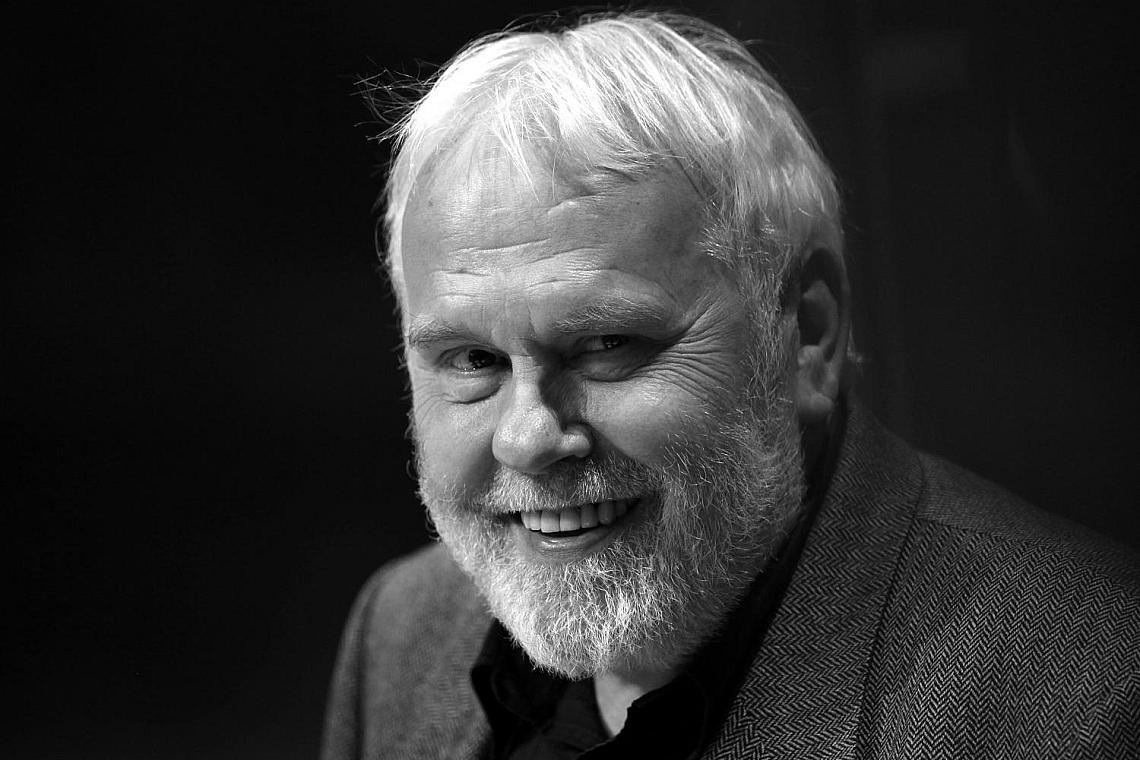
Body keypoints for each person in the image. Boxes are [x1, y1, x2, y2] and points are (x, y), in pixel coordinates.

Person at [321, 11, 1140, 759]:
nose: (529, 438)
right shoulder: (398, 631)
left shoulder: (1092, 693)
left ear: (806, 332)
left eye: (608, 345)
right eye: (473, 361)